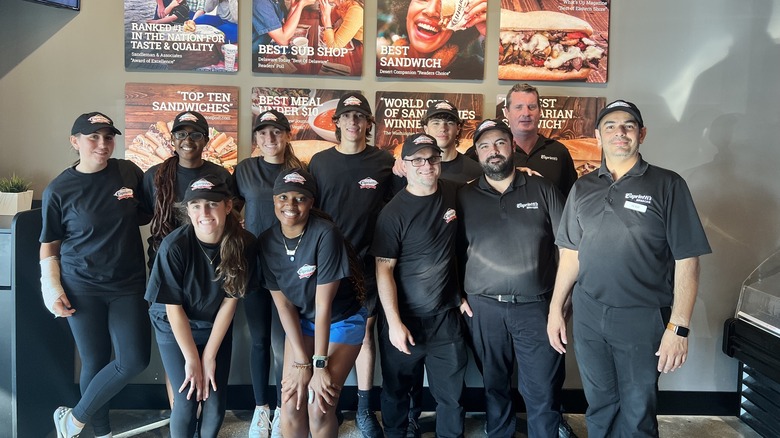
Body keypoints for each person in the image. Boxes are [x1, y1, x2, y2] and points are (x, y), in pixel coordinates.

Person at [547, 100, 711, 437]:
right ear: (598, 136)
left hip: (642, 317)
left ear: (642, 134)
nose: (619, 133)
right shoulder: (583, 187)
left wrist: (678, 328)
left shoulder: (668, 185)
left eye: (628, 126)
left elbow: (688, 260)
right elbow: (570, 254)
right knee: (600, 404)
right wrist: (555, 309)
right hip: (590, 313)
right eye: (610, 126)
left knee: (637, 409)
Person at [41, 112, 151, 438]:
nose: (102, 144)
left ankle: (73, 420)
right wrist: (52, 288)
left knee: (133, 360)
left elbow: (146, 212)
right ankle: (101, 432)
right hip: (81, 286)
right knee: (95, 360)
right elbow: (49, 245)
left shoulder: (128, 171)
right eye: (93, 137)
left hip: (128, 283)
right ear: (75, 142)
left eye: (108, 137)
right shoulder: (59, 189)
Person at [458, 118, 565, 438]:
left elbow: (569, 249)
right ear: (476, 153)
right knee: (495, 388)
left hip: (537, 308)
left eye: (500, 143)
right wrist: (457, 296)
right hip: (483, 309)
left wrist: (561, 303)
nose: (494, 151)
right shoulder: (463, 197)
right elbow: (447, 248)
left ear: (513, 147)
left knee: (542, 392)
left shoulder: (543, 188)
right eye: (485, 146)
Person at [308, 92, 400, 438]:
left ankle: (363, 408)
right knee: (321, 331)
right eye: (346, 116)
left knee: (363, 337)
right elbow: (308, 213)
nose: (353, 122)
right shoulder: (319, 162)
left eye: (359, 117)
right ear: (337, 122)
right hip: (326, 264)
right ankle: (328, 402)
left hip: (369, 264)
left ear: (368, 123)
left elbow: (398, 206)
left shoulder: (384, 162)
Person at [146, 174, 259, 437]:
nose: (204, 212)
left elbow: (231, 301)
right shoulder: (175, 245)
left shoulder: (245, 244)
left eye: (212, 204)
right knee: (187, 398)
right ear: (188, 210)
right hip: (173, 322)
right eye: (196, 205)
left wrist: (208, 357)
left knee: (215, 398)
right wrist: (192, 360)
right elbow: (173, 308)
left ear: (227, 206)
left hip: (214, 322)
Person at [371, 133, 467, 438]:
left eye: (432, 158)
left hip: (445, 319)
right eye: (417, 160)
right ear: (405, 165)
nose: (426, 165)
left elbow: (493, 188)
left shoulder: (455, 193)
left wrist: (524, 172)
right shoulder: (392, 213)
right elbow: (383, 269)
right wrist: (394, 322)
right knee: (396, 395)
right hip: (405, 321)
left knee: (452, 399)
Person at [258, 168, 366, 438]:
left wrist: (317, 366)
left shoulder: (325, 234)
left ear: (311, 203)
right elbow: (283, 306)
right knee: (292, 403)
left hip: (341, 320)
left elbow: (324, 305)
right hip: (303, 323)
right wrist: (299, 363)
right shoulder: (266, 242)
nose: (290, 205)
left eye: (300, 198)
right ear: (273, 200)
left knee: (319, 404)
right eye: (283, 197)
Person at [234, 109, 307, 438]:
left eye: (276, 131)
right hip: (253, 266)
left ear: (287, 135)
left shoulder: (299, 171)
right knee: (260, 341)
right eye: (263, 133)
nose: (270, 138)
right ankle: (261, 409)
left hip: (289, 270)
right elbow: (228, 210)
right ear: (256, 138)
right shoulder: (243, 170)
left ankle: (282, 408)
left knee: (284, 343)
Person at [143, 110, 236, 271]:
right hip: (164, 260)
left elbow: (229, 215)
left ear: (206, 140)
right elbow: (145, 213)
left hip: (210, 260)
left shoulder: (221, 175)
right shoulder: (154, 176)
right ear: (172, 139)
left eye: (196, 135)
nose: (187, 140)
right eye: (181, 134)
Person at [467, 83, 578, 197]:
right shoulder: (482, 153)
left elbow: (572, 201)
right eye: (518, 107)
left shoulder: (558, 151)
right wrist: (509, 174)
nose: (526, 113)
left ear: (540, 112)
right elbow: (467, 191)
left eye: (532, 107)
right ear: (506, 112)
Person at [378, 0, 487, 79]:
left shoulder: (478, 72)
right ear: (406, 7)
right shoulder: (374, 65)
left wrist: (496, 33)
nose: (431, 11)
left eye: (447, 3)